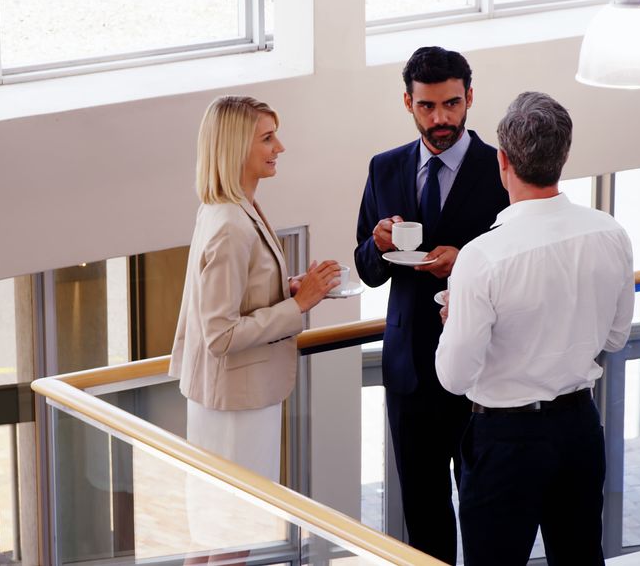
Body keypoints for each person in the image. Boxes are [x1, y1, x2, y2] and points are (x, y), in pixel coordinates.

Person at [435, 91, 635, 566]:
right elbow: (614, 338)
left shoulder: (482, 256)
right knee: (580, 558)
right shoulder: (610, 232)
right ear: (563, 156)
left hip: (505, 441)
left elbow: (453, 378)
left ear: (502, 161)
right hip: (579, 428)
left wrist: (453, 321)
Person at [353, 46, 509, 562]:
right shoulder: (384, 168)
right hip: (409, 373)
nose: (441, 118)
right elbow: (367, 270)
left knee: (486, 513)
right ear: (407, 102)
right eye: (427, 106)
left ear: (469, 98)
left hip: (481, 370)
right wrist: (376, 245)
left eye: (451, 104)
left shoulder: (500, 169)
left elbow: (515, 261)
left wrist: (463, 260)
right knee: (423, 517)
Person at [170, 96, 340, 560]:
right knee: (233, 540)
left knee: (210, 537)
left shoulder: (229, 208)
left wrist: (288, 288)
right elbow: (220, 334)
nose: (279, 147)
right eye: (267, 138)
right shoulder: (231, 224)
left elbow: (234, 296)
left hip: (230, 401)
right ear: (235, 148)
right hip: (237, 407)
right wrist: (299, 305)